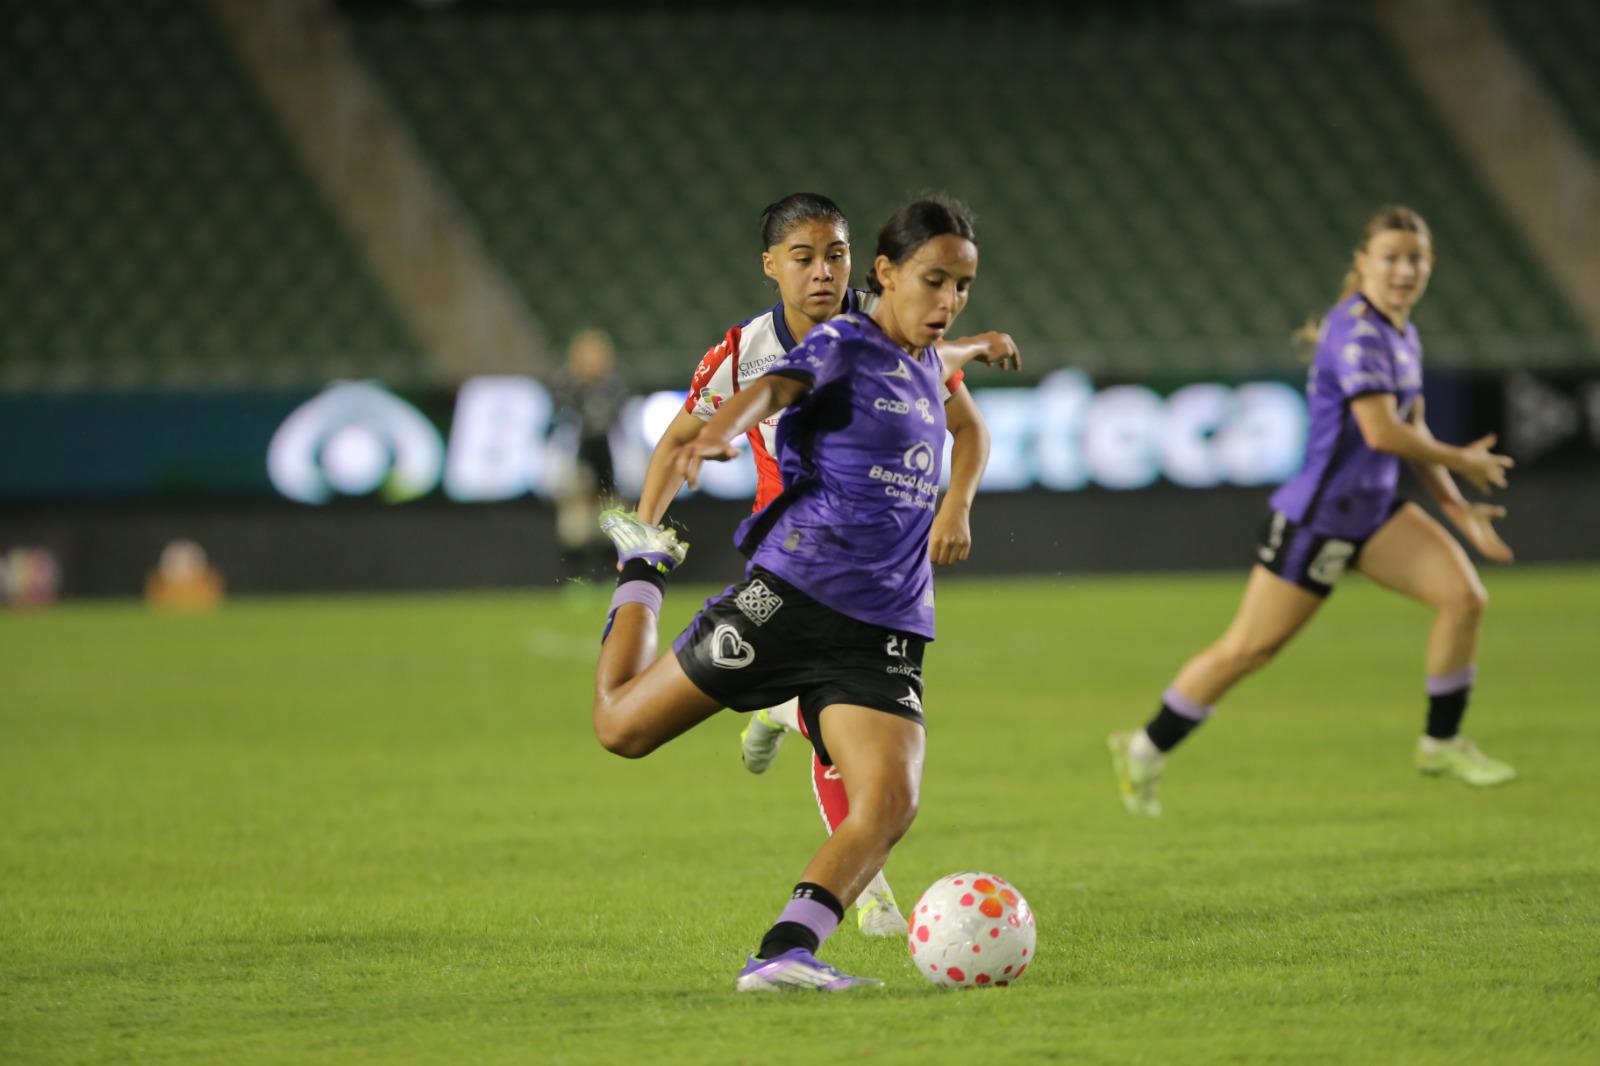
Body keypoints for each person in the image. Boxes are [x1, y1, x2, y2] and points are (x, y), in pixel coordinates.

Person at [591, 198, 1015, 990]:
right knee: (621, 729)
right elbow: (774, 389)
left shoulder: (913, 339)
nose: (822, 271)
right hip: (795, 587)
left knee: (890, 802)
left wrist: (974, 356)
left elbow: (953, 393)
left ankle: (786, 951)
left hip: (886, 618)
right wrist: (705, 451)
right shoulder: (827, 341)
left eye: (962, 286)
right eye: (937, 281)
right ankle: (642, 574)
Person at [1108, 205, 1516, 817]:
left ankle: (1441, 742)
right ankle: (1143, 748)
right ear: (1363, 263)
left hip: (1375, 515)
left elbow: (1412, 426)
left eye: (1416, 259)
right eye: (1392, 257)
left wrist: (1456, 508)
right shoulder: (1354, 333)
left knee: (1465, 599)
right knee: (1248, 651)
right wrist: (1461, 459)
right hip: (1317, 522)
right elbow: (1380, 434)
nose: (1405, 270)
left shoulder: (1401, 332)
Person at [549, 328, 630, 585]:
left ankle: (609, 575)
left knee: (612, 516)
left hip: (607, 456)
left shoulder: (614, 387)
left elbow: (622, 427)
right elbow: (562, 427)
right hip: (579, 456)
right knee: (577, 522)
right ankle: (577, 579)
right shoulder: (567, 386)